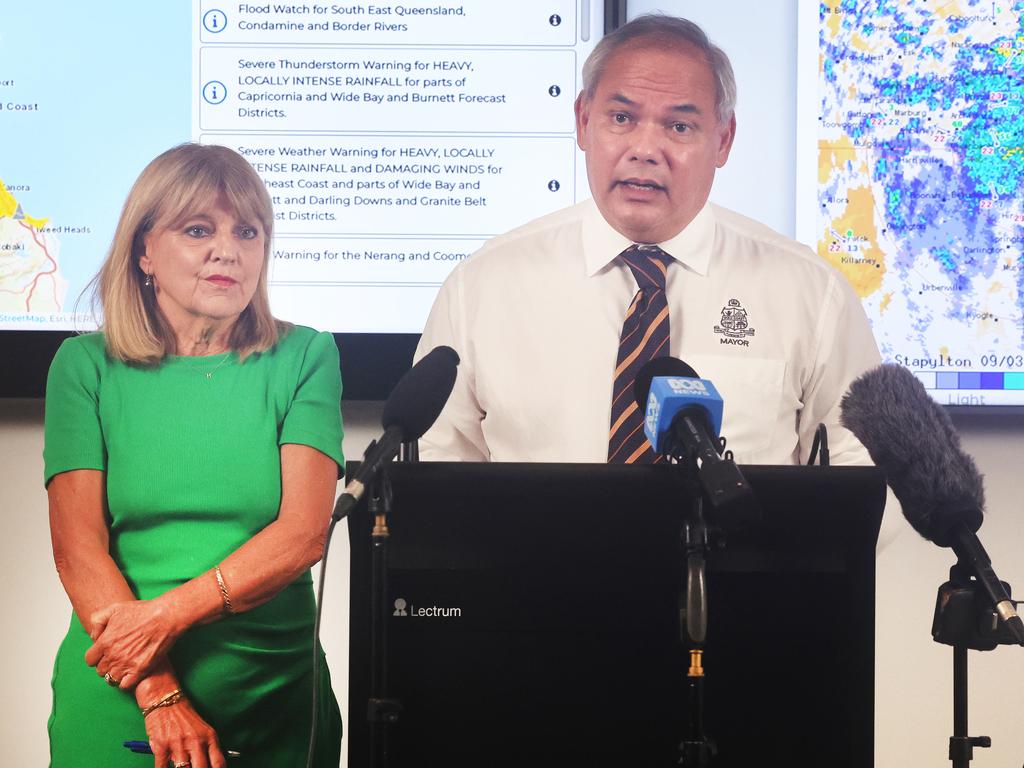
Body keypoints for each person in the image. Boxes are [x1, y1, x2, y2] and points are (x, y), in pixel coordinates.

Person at [415, 14, 881, 465]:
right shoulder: (482, 286)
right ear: (583, 121)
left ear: (723, 139)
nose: (643, 149)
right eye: (621, 118)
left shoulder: (811, 293)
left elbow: (864, 474)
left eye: (679, 126)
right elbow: (435, 463)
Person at [43, 143, 344, 767]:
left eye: (248, 231)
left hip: (276, 701)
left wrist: (165, 617)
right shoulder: (84, 366)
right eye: (199, 229)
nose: (227, 250)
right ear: (144, 251)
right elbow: (78, 549)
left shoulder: (306, 356)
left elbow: (302, 536)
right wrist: (158, 691)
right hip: (123, 692)